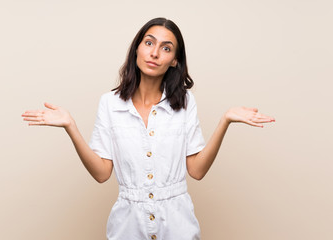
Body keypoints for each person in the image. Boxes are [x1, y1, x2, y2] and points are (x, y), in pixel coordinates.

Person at [22, 17, 275, 240]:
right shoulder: (109, 104)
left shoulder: (185, 103)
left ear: (174, 61)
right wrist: (70, 126)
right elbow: (101, 174)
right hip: (127, 227)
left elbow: (196, 171)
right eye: (149, 43)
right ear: (137, 49)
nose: (155, 53)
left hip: (178, 226)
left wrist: (225, 121)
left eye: (166, 48)